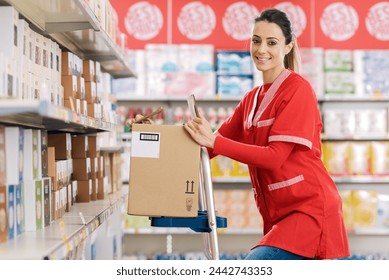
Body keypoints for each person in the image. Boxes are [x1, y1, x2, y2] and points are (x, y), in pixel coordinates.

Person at [183, 8, 350, 260]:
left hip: (309, 212)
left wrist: (215, 140)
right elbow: (206, 149)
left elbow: (274, 157)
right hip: (278, 215)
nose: (261, 50)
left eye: (272, 42)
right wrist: (152, 137)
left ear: (288, 46)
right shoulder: (250, 100)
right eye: (256, 40)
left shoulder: (298, 90)